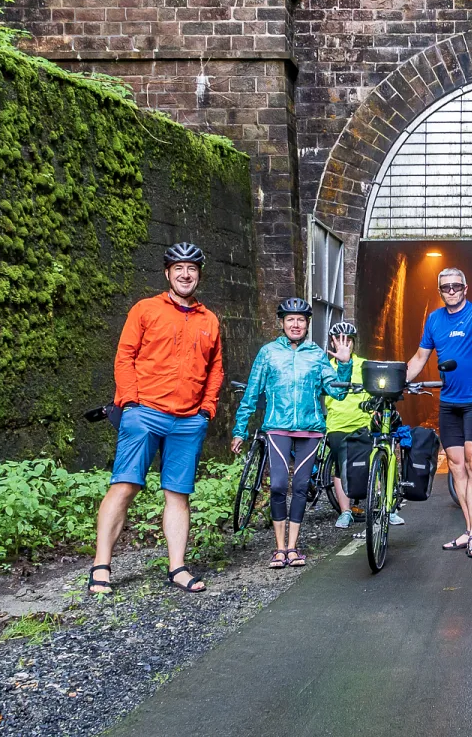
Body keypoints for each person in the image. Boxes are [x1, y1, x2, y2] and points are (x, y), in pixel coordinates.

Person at [89, 242, 223, 595]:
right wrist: (130, 403)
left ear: (199, 275)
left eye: (192, 268)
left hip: (188, 420)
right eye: (178, 268)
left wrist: (207, 407)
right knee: (125, 485)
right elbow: (125, 356)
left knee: (178, 494)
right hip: (144, 412)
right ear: (167, 273)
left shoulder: (209, 320)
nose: (185, 274)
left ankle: (177, 567)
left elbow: (215, 369)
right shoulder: (145, 309)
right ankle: (101, 565)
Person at [404, 251, 472, 559]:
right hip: (449, 401)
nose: (451, 291)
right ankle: (469, 529)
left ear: (465, 288)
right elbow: (420, 358)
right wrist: (398, 378)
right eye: (445, 287)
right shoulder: (434, 320)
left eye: (456, 286)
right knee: (455, 466)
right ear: (440, 291)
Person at [230, 298, 352, 569]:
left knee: (299, 487)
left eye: (301, 320)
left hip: (310, 429)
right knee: (277, 485)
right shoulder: (268, 353)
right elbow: (251, 394)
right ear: (282, 323)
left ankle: (293, 547)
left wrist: (343, 364)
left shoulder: (317, 354)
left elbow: (337, 392)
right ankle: (278, 547)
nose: (296, 324)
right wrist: (240, 429)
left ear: (307, 324)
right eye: (290, 320)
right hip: (278, 427)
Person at [321, 321, 405, 529]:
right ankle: (345, 511)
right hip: (338, 424)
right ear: (332, 342)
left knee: (377, 458)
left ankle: (385, 507)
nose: (344, 344)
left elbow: (378, 390)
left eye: (348, 340)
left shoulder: (365, 365)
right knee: (342, 465)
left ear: (354, 343)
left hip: (363, 422)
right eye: (339, 340)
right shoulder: (325, 367)